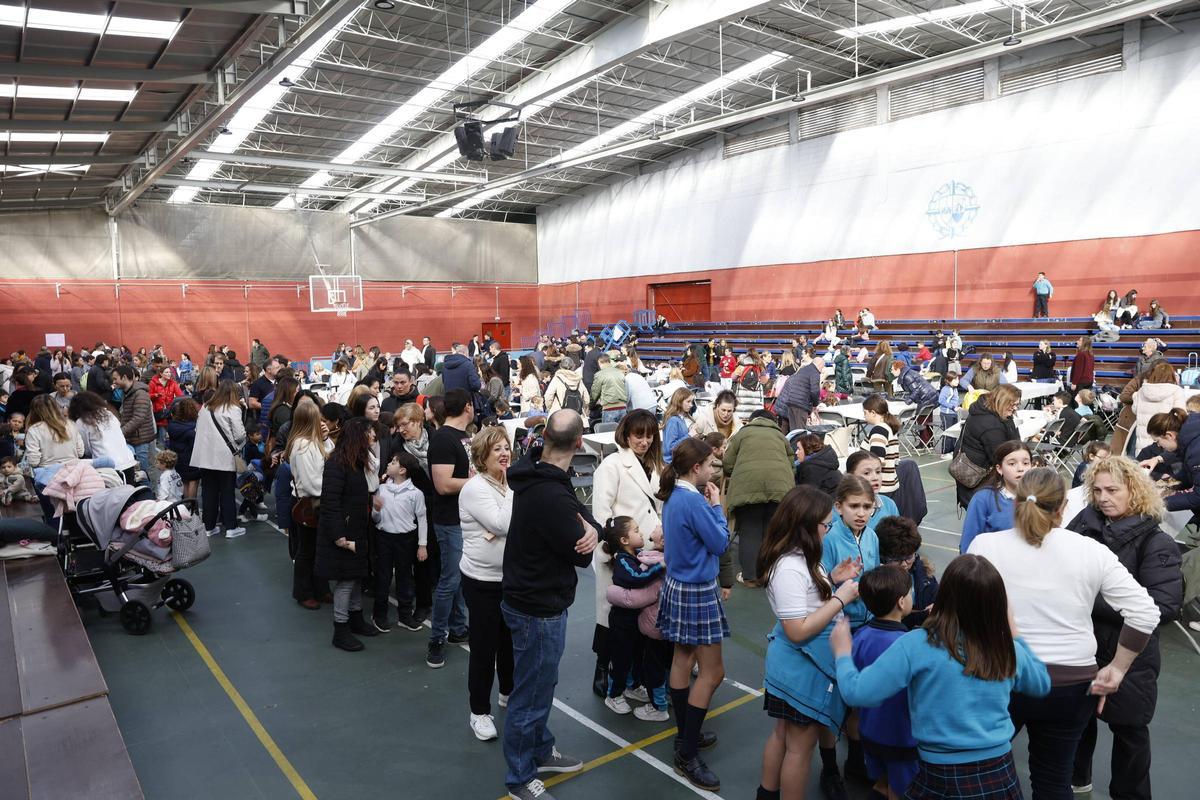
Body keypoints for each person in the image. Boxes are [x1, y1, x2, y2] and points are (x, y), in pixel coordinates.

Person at [968, 468, 1160, 799]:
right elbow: (1145, 612)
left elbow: (965, 613)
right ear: (1061, 509)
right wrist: (1116, 669)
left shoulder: (984, 546)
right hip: (1071, 685)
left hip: (1002, 677)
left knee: (980, 769)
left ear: (1016, 503)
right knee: (1054, 778)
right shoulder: (1091, 551)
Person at [832, 554, 1051, 800]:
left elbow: (857, 692)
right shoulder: (1005, 648)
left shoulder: (916, 644)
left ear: (945, 596)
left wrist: (842, 652)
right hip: (998, 770)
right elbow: (1041, 683)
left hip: (940, 772)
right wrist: (1015, 634)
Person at [1066, 456, 1183, 798]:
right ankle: (1077, 778)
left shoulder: (1155, 543)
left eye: (1113, 490)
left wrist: (1088, 599)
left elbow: (1163, 605)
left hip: (1130, 656)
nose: (1103, 497)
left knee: (1130, 732)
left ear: (1135, 491)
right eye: (1097, 490)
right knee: (1077, 724)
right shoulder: (1083, 524)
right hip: (1080, 647)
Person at [500, 409, 596, 800]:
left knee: (542, 683)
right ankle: (520, 776)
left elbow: (583, 517)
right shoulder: (552, 494)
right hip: (538, 606)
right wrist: (590, 530)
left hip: (530, 597)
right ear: (579, 442)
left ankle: (539, 749)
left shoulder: (534, 471)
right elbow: (583, 554)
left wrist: (590, 525)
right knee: (531, 692)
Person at [755, 485, 861, 800]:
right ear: (805, 526)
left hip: (795, 666)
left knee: (783, 735)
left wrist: (832, 578)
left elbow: (806, 599)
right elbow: (797, 630)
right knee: (800, 748)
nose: (829, 531)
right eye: (826, 525)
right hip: (798, 668)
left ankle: (767, 793)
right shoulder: (789, 567)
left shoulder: (801, 558)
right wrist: (840, 599)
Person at [656, 437, 730, 791]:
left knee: (682, 660)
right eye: (710, 463)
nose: (713, 468)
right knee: (713, 673)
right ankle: (686, 752)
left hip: (677, 585)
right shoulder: (694, 501)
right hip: (697, 590)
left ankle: (685, 734)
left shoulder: (673, 496)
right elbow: (720, 543)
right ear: (697, 467)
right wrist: (718, 507)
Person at [590, 410, 663, 700]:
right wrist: (610, 551)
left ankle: (636, 673)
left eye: (649, 435)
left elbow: (658, 507)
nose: (644, 441)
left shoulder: (656, 465)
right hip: (618, 551)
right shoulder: (612, 464)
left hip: (648, 551)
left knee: (639, 618)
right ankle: (602, 668)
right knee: (610, 617)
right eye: (638, 435)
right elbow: (601, 513)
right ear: (626, 434)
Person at [458, 426, 515, 741]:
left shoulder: (506, 485)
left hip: (509, 580)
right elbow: (502, 523)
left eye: (506, 447)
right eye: (497, 449)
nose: (505, 453)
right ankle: (478, 712)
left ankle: (508, 692)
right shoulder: (476, 488)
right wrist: (513, 494)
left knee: (509, 642)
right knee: (483, 649)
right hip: (482, 582)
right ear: (482, 455)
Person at [317, 417, 379, 652]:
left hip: (356, 529)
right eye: (369, 433)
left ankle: (355, 618)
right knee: (345, 582)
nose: (373, 437)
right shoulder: (338, 464)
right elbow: (330, 501)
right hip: (344, 532)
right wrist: (339, 535)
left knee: (355, 577)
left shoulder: (356, 461)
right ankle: (340, 628)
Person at [600, 515, 668, 720]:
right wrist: (660, 566)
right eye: (636, 531)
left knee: (636, 656)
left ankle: (632, 686)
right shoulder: (622, 560)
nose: (641, 533)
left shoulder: (638, 553)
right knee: (620, 659)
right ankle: (613, 694)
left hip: (636, 621)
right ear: (624, 540)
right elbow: (636, 578)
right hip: (622, 622)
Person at [426, 388, 474, 669]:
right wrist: (481, 482)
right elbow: (443, 485)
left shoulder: (461, 437)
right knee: (450, 580)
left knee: (457, 578)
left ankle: (457, 628)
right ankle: (437, 637)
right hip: (450, 520)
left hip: (463, 518)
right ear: (467, 406)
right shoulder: (444, 439)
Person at [723, 409, 794, 584]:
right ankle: (771, 574)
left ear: (753, 420)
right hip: (780, 488)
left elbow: (727, 463)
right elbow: (792, 465)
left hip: (747, 487)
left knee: (749, 530)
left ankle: (751, 577)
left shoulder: (743, 434)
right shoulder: (781, 436)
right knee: (773, 531)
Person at [287, 400, 334, 610]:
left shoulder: (310, 441)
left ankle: (319, 588)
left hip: (314, 502)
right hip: (310, 503)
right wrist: (333, 488)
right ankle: (304, 592)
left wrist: (325, 438)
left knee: (317, 549)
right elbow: (311, 483)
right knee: (307, 551)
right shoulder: (303, 446)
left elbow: (328, 453)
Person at [190, 380, 247, 539]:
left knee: (209, 492)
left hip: (205, 456)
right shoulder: (233, 408)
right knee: (227, 492)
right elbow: (240, 434)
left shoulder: (206, 407)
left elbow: (197, 430)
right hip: (225, 456)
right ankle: (231, 527)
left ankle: (209, 527)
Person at [954, 383, 1020, 508]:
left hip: (972, 472)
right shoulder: (991, 426)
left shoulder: (986, 409)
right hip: (978, 478)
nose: (1015, 408)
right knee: (983, 518)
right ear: (1002, 401)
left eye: (1017, 404)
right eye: (1013, 405)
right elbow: (1001, 457)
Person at [960, 441, 1031, 553]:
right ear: (999, 469)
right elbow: (968, 544)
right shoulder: (983, 499)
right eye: (1012, 463)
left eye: (1026, 463)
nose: (1020, 468)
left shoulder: (1039, 497)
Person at [875, 516, 939, 630]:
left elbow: (938, 600)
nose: (904, 564)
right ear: (882, 557)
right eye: (897, 559)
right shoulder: (876, 583)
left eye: (909, 557)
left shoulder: (925, 575)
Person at [68, 390, 139, 484]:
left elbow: (85, 449)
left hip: (108, 467)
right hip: (128, 461)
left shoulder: (82, 423)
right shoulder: (109, 414)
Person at [1144, 408, 1200, 515]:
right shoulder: (1191, 436)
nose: (1159, 445)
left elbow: (1198, 497)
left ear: (1169, 435)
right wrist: (1170, 481)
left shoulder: (1196, 450)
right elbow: (1189, 472)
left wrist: (1160, 502)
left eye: (1158, 441)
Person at [112, 365, 157, 482]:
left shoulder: (140, 394)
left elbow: (138, 418)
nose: (114, 382)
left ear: (124, 377)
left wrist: (119, 432)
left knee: (142, 474)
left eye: (115, 378)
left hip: (141, 440)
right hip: (133, 439)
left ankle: (148, 498)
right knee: (137, 474)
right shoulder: (127, 392)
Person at [1130, 361, 1185, 454]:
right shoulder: (1176, 391)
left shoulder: (1142, 391)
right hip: (1166, 441)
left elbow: (1134, 410)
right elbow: (1180, 415)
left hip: (1143, 441)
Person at [863, 393, 901, 496]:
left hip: (879, 487)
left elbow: (877, 461)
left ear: (873, 413)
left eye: (865, 413)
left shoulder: (879, 430)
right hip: (889, 483)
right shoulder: (889, 427)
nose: (864, 416)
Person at [774, 353, 822, 432]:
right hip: (793, 404)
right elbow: (814, 391)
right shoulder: (814, 372)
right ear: (820, 365)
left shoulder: (800, 372)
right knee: (798, 431)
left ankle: (783, 443)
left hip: (784, 402)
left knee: (785, 430)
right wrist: (815, 405)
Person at [792, 432, 842, 497]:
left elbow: (808, 496)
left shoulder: (811, 468)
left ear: (808, 450)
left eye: (799, 449)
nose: (796, 452)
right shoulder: (820, 462)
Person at [660, 388, 695, 464]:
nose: (691, 405)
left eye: (691, 402)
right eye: (688, 401)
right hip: (672, 463)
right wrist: (689, 435)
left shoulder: (680, 418)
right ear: (679, 402)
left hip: (679, 460)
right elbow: (671, 447)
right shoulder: (673, 420)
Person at [590, 354, 628, 425]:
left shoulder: (599, 374)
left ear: (600, 362)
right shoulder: (619, 372)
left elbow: (594, 393)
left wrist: (591, 406)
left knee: (608, 433)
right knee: (622, 434)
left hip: (609, 408)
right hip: (622, 407)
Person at [937, 372, 961, 457]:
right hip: (946, 414)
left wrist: (959, 406)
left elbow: (955, 400)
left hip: (953, 414)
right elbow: (941, 400)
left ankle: (952, 451)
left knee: (954, 433)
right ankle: (944, 453)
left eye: (957, 379)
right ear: (949, 381)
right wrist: (952, 407)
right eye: (955, 379)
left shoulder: (955, 389)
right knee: (948, 433)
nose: (957, 381)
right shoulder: (946, 389)